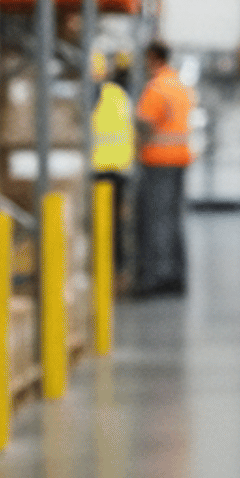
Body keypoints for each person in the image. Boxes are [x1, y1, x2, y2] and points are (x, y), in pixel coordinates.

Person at [134, 40, 192, 296]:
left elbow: (145, 123)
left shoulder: (157, 87)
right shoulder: (179, 84)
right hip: (180, 158)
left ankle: (157, 277)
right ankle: (177, 275)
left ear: (153, 58)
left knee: (156, 220)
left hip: (159, 160)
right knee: (173, 219)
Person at [90, 50, 136, 291]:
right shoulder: (119, 94)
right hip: (119, 168)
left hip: (98, 168)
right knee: (115, 224)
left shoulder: (93, 95)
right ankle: (117, 270)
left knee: (102, 223)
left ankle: (106, 268)